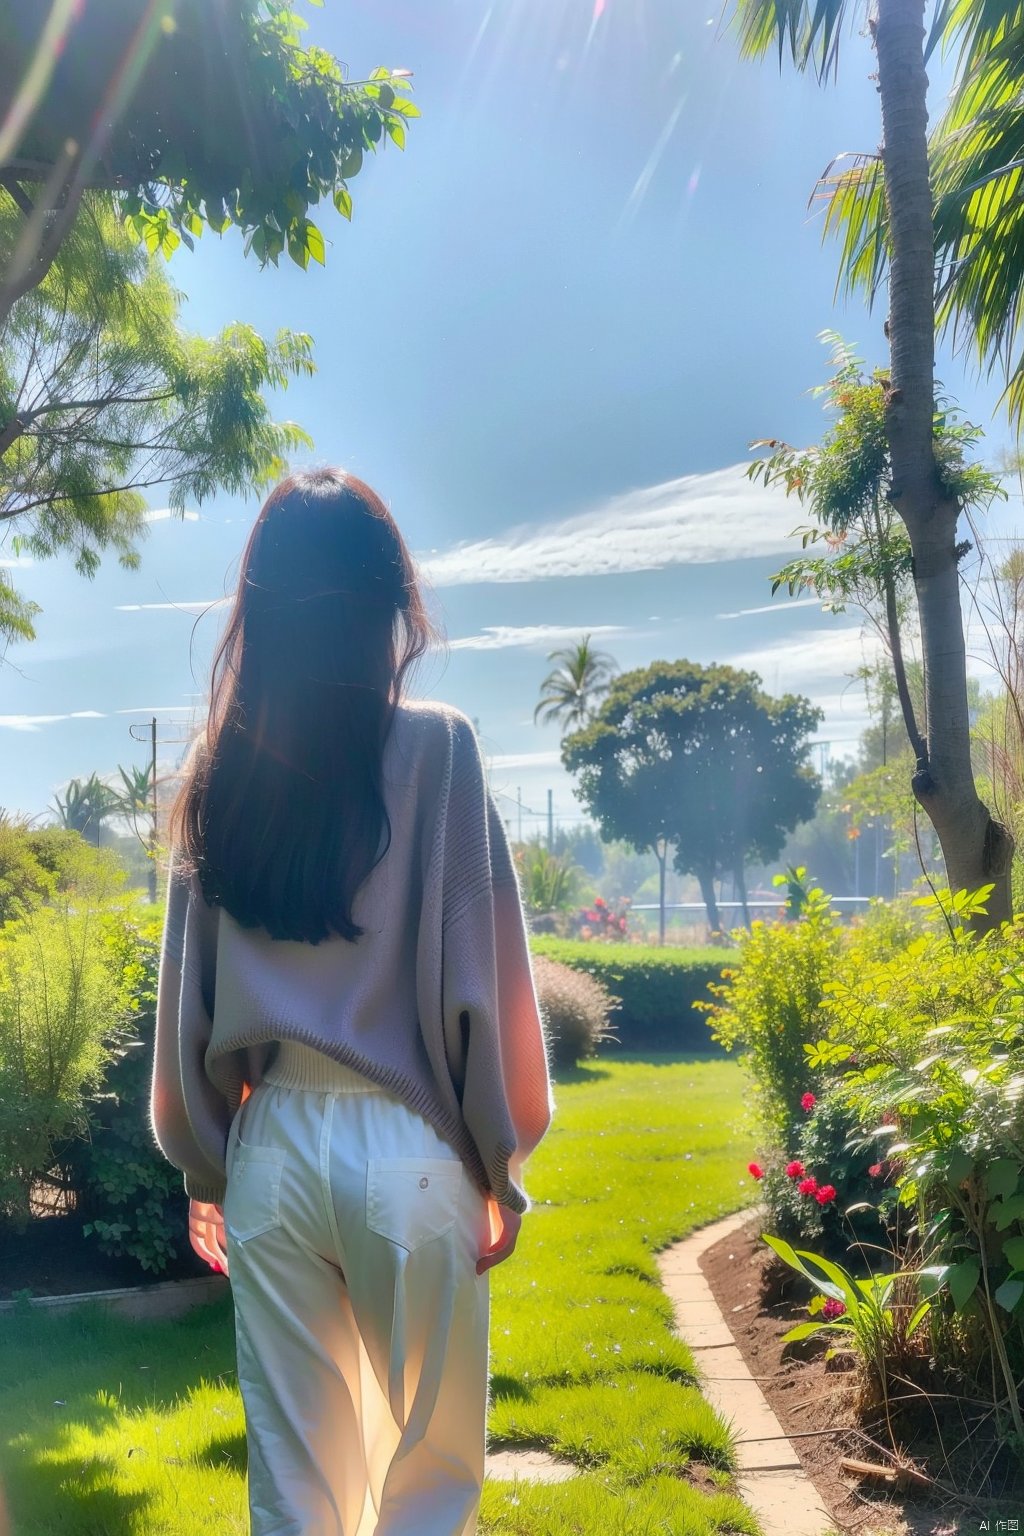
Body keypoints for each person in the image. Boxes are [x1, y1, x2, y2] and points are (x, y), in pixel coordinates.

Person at [150, 468, 553, 1536]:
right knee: (430, 1490)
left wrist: (206, 1164)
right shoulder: (440, 748)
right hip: (413, 1153)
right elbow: (485, 983)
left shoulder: (219, 769)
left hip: (270, 1149)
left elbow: (185, 1006)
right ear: (391, 602)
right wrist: (500, 1167)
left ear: (260, 609)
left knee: (295, 1495)